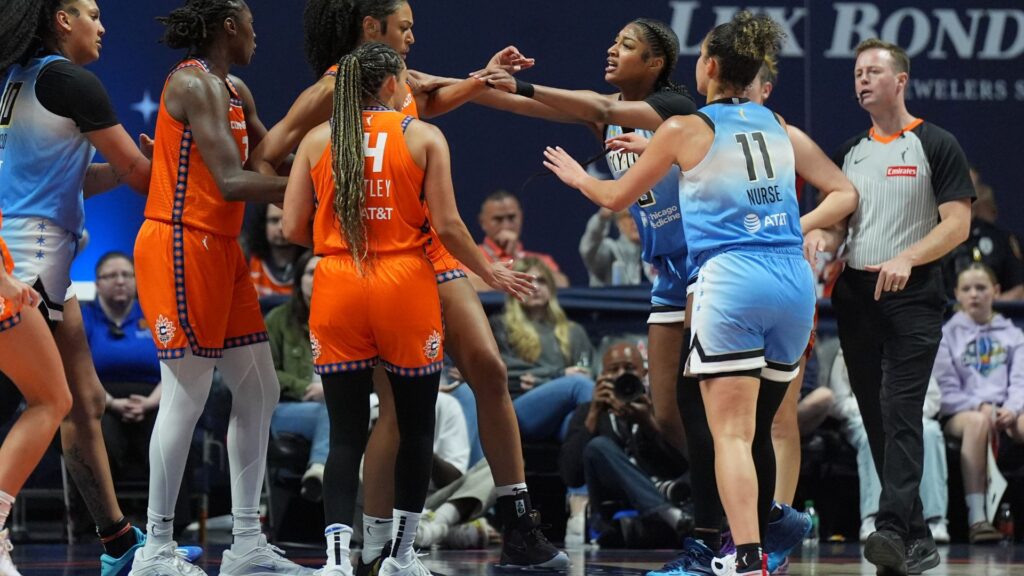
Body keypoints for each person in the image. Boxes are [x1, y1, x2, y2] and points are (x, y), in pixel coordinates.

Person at [252, 1, 568, 571]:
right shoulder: (329, 94)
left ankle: (516, 517)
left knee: (489, 371)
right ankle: (379, 547)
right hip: (382, 259)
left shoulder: (399, 79)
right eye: (405, 29)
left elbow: (437, 97)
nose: (414, 39)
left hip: (426, 248)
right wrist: (337, 211)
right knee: (398, 411)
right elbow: (268, 154)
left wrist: (480, 75)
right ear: (371, 28)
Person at [544, 11, 857, 575]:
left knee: (729, 433)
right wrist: (799, 225)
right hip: (792, 281)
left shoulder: (686, 125)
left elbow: (615, 199)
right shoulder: (776, 123)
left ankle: (746, 556)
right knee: (757, 426)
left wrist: (577, 177)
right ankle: (769, 530)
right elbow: (845, 192)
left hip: (732, 279)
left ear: (709, 65)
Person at [131, 2, 312, 575]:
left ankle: (246, 544)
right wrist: (318, 192)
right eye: (251, 23)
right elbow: (234, 182)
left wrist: (331, 138)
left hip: (222, 250)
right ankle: (155, 550)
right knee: (185, 395)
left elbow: (268, 155)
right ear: (228, 26)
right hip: (182, 244)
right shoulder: (192, 83)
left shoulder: (235, 90)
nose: (259, 34)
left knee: (259, 388)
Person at [0, 1, 169, 573]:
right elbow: (141, 176)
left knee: (85, 401)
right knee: (48, 402)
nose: (102, 25)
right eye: (91, 13)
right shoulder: (74, 82)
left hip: (36, 251)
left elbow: (61, 180)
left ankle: (118, 542)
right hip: (33, 258)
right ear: (61, 19)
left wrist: (128, 169)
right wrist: (180, 153)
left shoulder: (21, 79)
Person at [823, 37, 974, 575]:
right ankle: (915, 537)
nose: (861, 79)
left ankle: (889, 526)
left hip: (914, 294)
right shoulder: (850, 151)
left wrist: (909, 256)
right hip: (857, 296)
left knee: (901, 408)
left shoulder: (935, 143)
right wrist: (823, 240)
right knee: (874, 415)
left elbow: (957, 223)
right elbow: (839, 222)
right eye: (857, 72)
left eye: (872, 71)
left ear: (900, 81)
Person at [81, 252, 191, 530]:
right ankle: (106, 526)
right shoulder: (83, 318)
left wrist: (151, 402)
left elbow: (177, 364)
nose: (120, 281)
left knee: (172, 432)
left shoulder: (156, 315)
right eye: (111, 275)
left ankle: (171, 525)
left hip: (155, 398)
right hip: (100, 401)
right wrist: (112, 403)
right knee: (96, 436)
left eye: (126, 275)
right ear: (97, 283)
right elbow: (77, 370)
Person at [560, 342, 690, 547]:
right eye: (613, 370)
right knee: (598, 446)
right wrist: (594, 413)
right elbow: (571, 476)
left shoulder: (658, 407)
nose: (621, 374)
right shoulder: (588, 412)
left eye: (629, 369)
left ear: (643, 372)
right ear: (602, 376)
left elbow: (681, 464)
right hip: (626, 506)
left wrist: (649, 423)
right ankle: (670, 514)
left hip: (664, 495)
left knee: (706, 455)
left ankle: (670, 510)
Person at [934, 263, 1024, 543]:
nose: (974, 294)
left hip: (1007, 409)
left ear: (995, 292)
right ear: (956, 294)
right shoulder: (947, 335)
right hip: (962, 413)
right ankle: (978, 518)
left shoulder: (1013, 334)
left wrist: (1012, 408)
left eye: (981, 288)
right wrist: (979, 406)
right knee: (978, 422)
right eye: (967, 289)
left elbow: (1021, 380)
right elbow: (945, 391)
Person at [828, 349, 950, 544]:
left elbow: (933, 399)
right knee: (874, 432)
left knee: (931, 432)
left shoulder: (910, 341)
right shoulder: (849, 347)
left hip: (908, 417)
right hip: (861, 417)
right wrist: (876, 410)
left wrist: (903, 413)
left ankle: (935, 519)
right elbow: (838, 403)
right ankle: (873, 518)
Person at [489, 257, 595, 441]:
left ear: (552, 288)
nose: (536, 287)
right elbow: (503, 370)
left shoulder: (574, 331)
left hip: (561, 413)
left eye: (542, 281)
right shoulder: (500, 326)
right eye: (528, 281)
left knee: (580, 424)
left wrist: (540, 379)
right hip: (518, 409)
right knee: (577, 384)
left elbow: (587, 372)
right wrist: (559, 375)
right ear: (515, 287)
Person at [265, 251, 332, 502]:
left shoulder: (347, 319)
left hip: (333, 406)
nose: (317, 279)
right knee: (336, 409)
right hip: (287, 408)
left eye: (323, 273)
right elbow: (267, 373)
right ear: (299, 279)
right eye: (311, 273)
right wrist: (305, 387)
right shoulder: (278, 320)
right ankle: (319, 468)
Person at [942, 181, 1024, 301]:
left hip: (994, 314)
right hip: (944, 315)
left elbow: (1018, 288)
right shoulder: (933, 238)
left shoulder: (998, 238)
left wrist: (985, 307)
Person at [471, 191, 569, 289]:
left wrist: (517, 259)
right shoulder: (469, 255)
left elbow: (562, 283)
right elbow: (465, 285)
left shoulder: (539, 260)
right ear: (482, 222)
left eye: (511, 217)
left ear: (520, 217)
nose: (506, 225)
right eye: (498, 219)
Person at [579, 208, 648, 287]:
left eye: (641, 216)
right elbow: (587, 248)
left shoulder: (655, 254)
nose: (635, 221)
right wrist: (602, 218)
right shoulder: (609, 249)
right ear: (619, 223)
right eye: (629, 216)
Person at [246, 204, 304, 297]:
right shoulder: (248, 261)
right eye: (274, 220)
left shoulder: (311, 265)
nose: (280, 228)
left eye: (286, 221)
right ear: (263, 224)